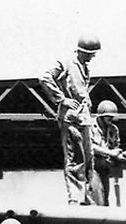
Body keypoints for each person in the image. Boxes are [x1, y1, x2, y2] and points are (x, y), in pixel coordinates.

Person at [39, 33, 102, 205]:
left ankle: (87, 198)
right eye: (90, 53)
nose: (92, 57)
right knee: (75, 160)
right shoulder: (66, 62)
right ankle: (75, 198)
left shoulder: (84, 66)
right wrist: (62, 99)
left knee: (88, 158)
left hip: (83, 118)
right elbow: (45, 77)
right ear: (82, 51)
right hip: (72, 118)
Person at [89, 99, 123, 207]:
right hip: (92, 166)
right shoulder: (90, 126)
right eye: (109, 116)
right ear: (101, 116)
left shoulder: (113, 129)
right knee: (97, 196)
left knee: (105, 199)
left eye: (112, 117)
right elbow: (90, 146)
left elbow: (116, 146)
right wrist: (110, 152)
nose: (111, 119)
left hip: (105, 167)